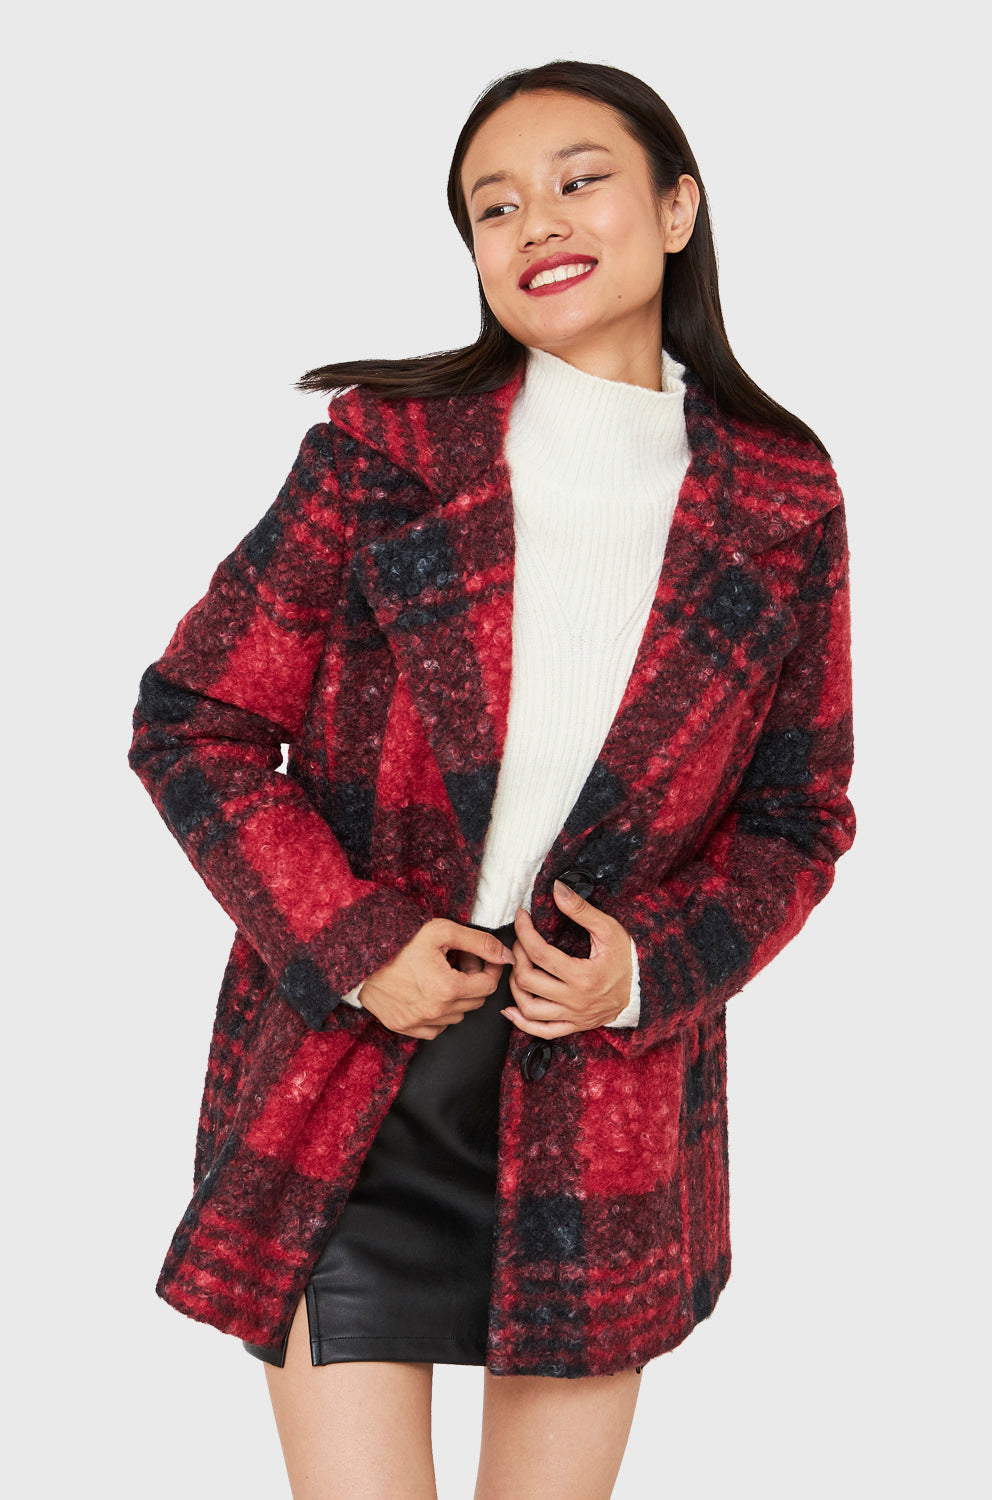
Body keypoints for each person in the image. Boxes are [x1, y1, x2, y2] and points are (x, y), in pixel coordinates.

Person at [130, 59, 855, 1500]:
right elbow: (194, 720)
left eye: (580, 181)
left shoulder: (783, 498)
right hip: (350, 1075)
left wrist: (645, 970)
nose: (539, 223)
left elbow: (799, 814)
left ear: (676, 210)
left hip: (601, 1108)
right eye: (496, 206)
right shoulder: (379, 454)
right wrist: (356, 942)